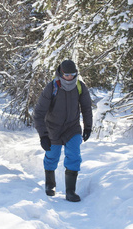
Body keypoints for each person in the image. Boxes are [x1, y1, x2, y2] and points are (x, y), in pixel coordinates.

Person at [33, 60, 93, 202]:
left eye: (72, 75)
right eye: (66, 75)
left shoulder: (80, 87)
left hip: (72, 128)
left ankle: (70, 191)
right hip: (53, 128)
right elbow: (39, 113)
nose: (69, 78)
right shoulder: (52, 88)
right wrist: (43, 136)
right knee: (52, 156)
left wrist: (88, 127)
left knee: (74, 156)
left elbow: (86, 108)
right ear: (61, 73)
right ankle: (50, 185)